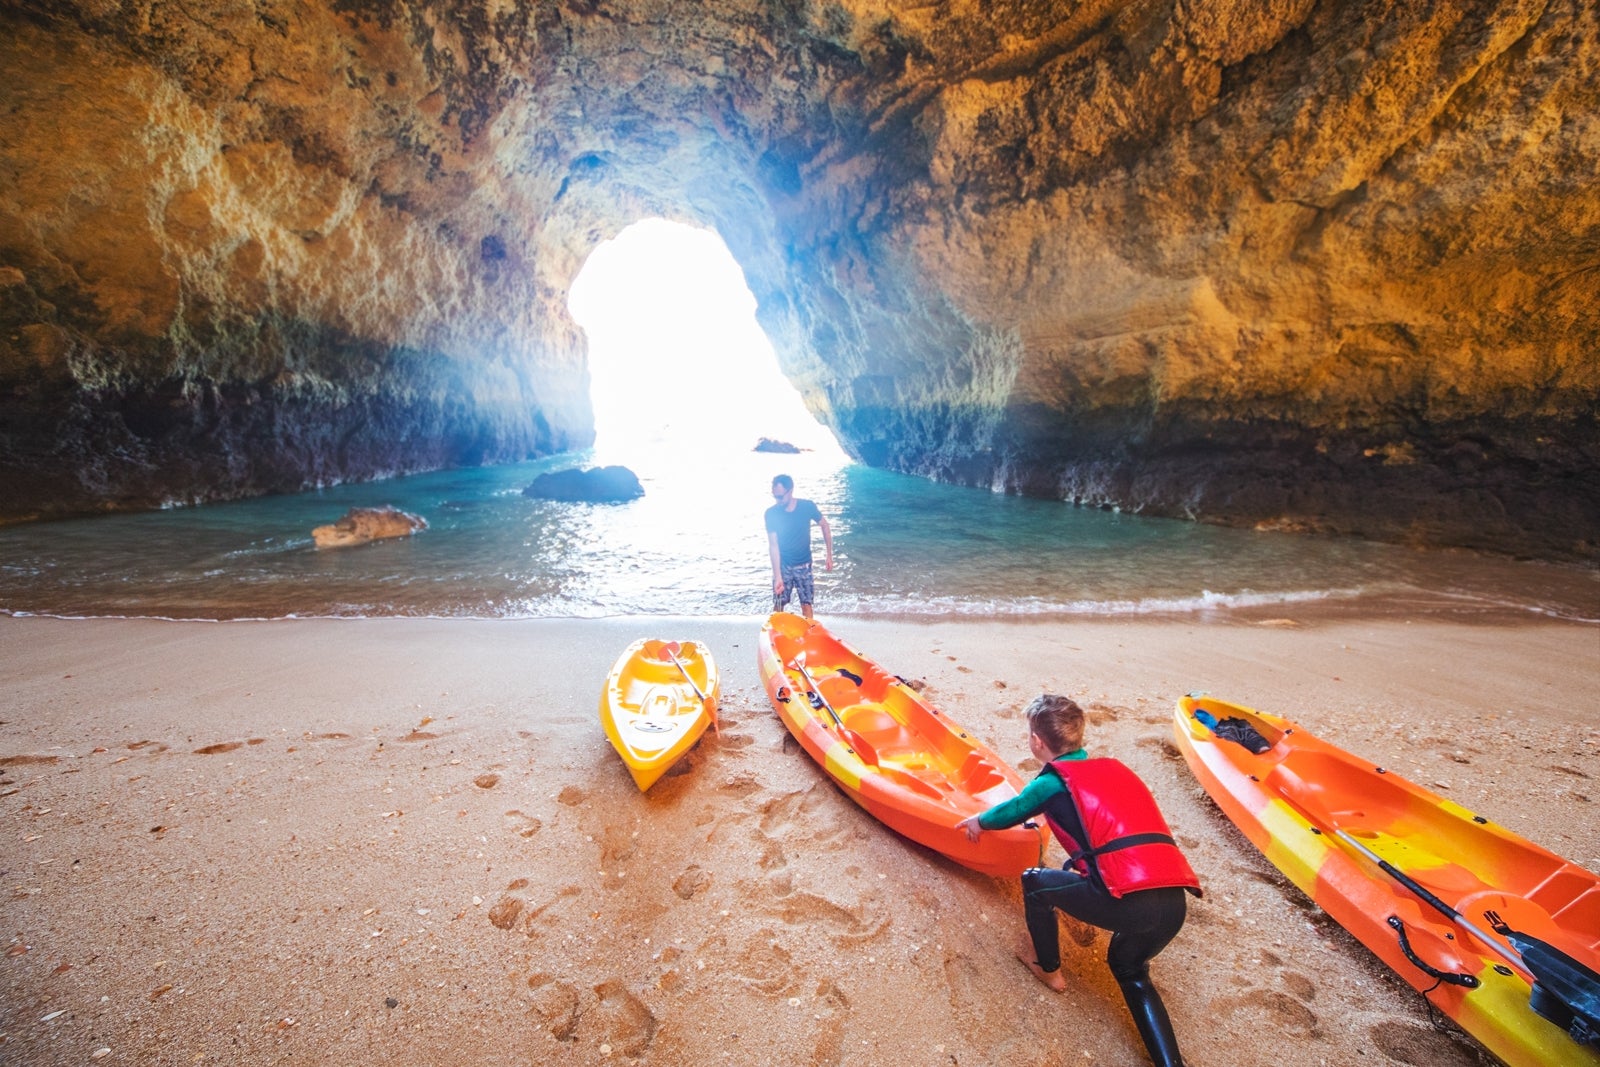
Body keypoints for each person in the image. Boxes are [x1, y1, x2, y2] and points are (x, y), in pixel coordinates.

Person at [955, 694, 1201, 1067]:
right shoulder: (1114, 769)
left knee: (1035, 882)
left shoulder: (1052, 782)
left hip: (1127, 900)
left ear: (1037, 742)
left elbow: (1012, 811)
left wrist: (978, 822)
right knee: (1129, 968)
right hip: (1173, 902)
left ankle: (1048, 968)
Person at [764, 474, 833, 620]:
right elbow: (773, 546)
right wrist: (778, 577)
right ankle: (776, 637)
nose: (778, 500)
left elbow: (824, 525)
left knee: (806, 604)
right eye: (775, 496)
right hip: (783, 566)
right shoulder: (771, 513)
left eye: (780, 497)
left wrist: (829, 555)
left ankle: (810, 635)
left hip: (804, 565)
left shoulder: (807, 506)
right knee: (778, 606)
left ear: (790, 491)